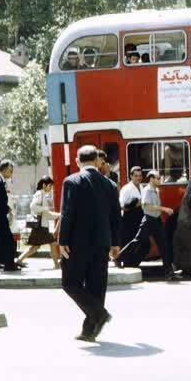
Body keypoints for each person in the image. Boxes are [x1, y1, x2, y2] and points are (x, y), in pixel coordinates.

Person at [58, 145, 121, 342]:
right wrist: (115, 243)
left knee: (69, 283)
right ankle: (89, 331)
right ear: (96, 161)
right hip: (102, 243)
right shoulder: (110, 185)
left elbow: (67, 213)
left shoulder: (72, 181)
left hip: (77, 243)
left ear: (77, 161)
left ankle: (98, 315)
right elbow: (116, 217)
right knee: (96, 287)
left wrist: (62, 241)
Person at [120, 170, 180, 281]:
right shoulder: (147, 190)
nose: (159, 180)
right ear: (151, 179)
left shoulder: (155, 190)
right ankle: (119, 257)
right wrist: (164, 209)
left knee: (163, 245)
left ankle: (169, 272)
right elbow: (146, 206)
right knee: (137, 241)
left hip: (156, 220)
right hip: (148, 220)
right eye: (157, 178)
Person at [17, 176, 61, 269]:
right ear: (44, 185)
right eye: (50, 186)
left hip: (40, 226)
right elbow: (32, 206)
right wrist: (46, 209)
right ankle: (56, 265)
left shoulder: (42, 194)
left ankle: (19, 260)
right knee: (53, 243)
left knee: (35, 247)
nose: (51, 188)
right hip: (41, 226)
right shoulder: (39, 194)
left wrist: (59, 215)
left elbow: (47, 214)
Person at [117, 166, 145, 268]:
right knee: (129, 242)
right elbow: (121, 206)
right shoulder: (126, 189)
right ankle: (127, 263)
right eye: (136, 176)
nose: (138, 178)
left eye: (140, 175)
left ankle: (133, 264)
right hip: (129, 219)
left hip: (140, 217)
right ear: (131, 176)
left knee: (145, 244)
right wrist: (134, 205)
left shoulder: (142, 187)